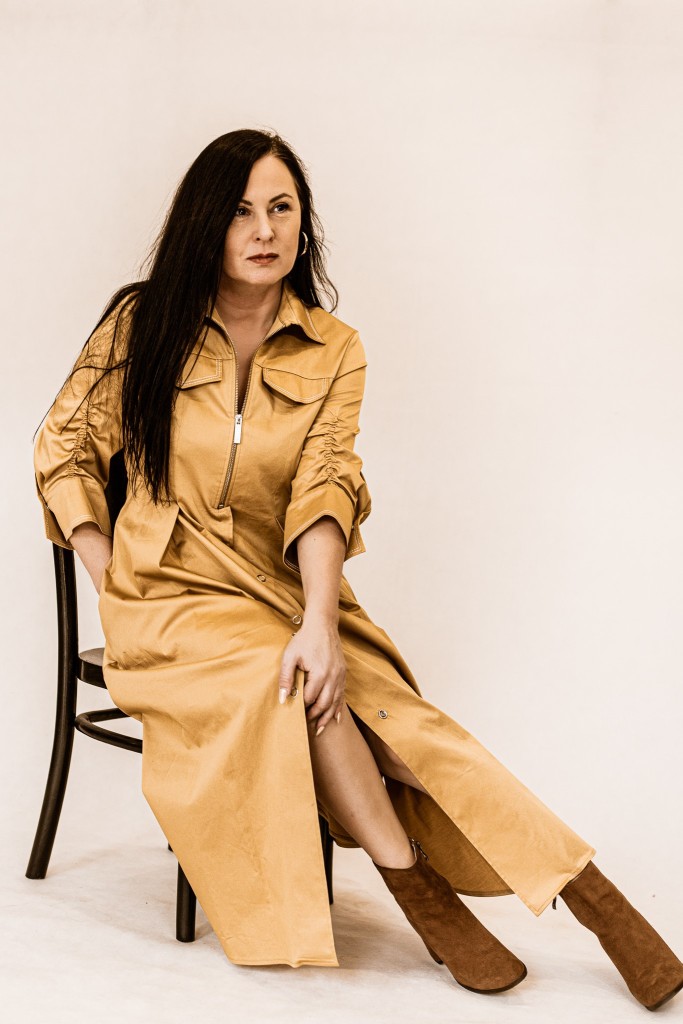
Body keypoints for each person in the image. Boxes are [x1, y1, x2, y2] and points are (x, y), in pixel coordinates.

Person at [33, 128, 682, 1009]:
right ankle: (428, 897)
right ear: (204, 224)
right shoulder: (141, 323)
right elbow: (64, 446)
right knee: (300, 684)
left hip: (277, 590)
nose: (264, 230)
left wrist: (317, 622)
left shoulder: (333, 347)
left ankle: (589, 896)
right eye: (239, 212)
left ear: (303, 222)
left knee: (395, 718)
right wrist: (105, 566)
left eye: (281, 208)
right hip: (166, 597)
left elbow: (325, 488)